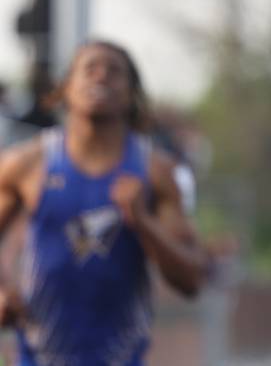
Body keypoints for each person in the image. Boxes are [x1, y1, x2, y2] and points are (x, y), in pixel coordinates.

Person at [0, 41, 208, 365]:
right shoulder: (26, 165)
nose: (101, 77)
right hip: (38, 357)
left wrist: (143, 221)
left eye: (114, 71)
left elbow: (191, 280)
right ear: (67, 87)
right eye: (90, 69)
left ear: (131, 94)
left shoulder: (156, 173)